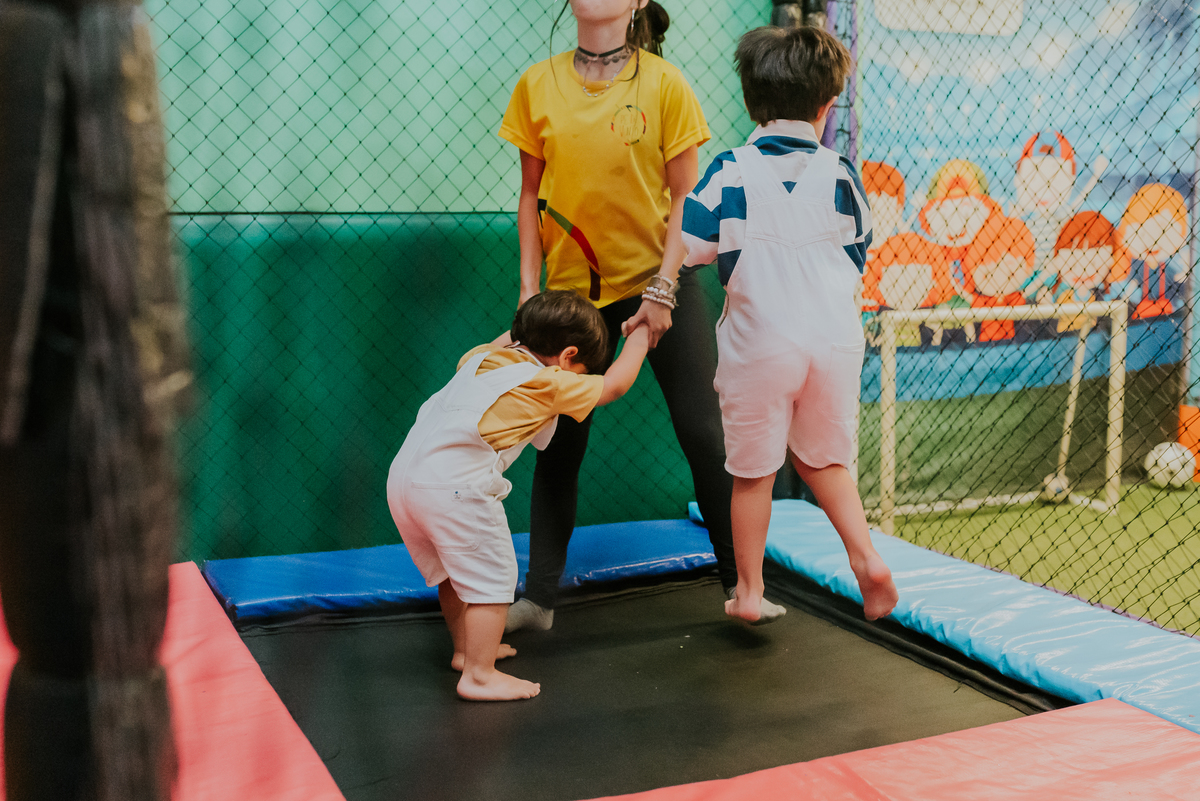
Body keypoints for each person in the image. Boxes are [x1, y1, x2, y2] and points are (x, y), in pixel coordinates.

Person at [499, 0, 738, 632]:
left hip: (662, 281)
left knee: (704, 435)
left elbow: (687, 196)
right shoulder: (537, 84)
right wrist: (529, 292)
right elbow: (529, 195)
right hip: (575, 298)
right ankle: (540, 599)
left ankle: (742, 584)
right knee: (559, 446)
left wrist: (662, 292)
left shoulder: (664, 83)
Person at [679, 25, 899, 624]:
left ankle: (748, 592)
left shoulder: (731, 169)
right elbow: (860, 247)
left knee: (752, 472)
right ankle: (866, 558)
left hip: (761, 344)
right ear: (827, 108)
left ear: (751, 103)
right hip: (833, 340)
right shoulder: (842, 173)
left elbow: (687, 243)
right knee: (826, 461)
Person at [386, 291, 650, 700]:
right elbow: (615, 385)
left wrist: (534, 308)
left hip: (404, 479)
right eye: (579, 369)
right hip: (454, 486)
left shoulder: (480, 358)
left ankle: (466, 651)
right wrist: (642, 329)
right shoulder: (548, 381)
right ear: (567, 357)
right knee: (494, 579)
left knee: (456, 574)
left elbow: (514, 335)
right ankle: (478, 675)